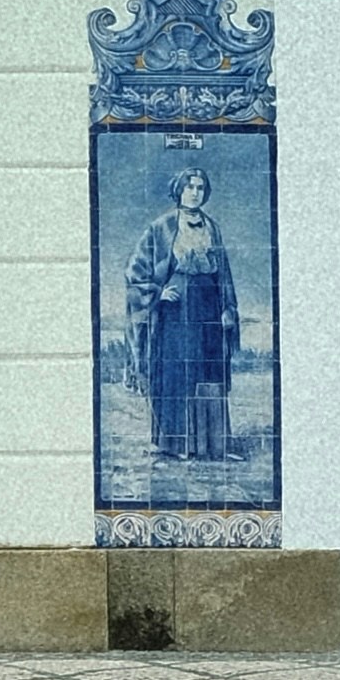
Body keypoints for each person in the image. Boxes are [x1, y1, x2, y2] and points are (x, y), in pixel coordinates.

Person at [126, 162, 240, 467]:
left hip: (208, 308)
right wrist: (157, 293)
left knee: (209, 372)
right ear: (179, 190)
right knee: (178, 374)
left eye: (200, 188)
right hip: (175, 313)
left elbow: (224, 274)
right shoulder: (161, 227)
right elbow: (135, 272)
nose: (195, 193)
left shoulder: (212, 227)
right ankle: (174, 444)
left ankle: (212, 444)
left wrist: (227, 307)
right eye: (189, 187)